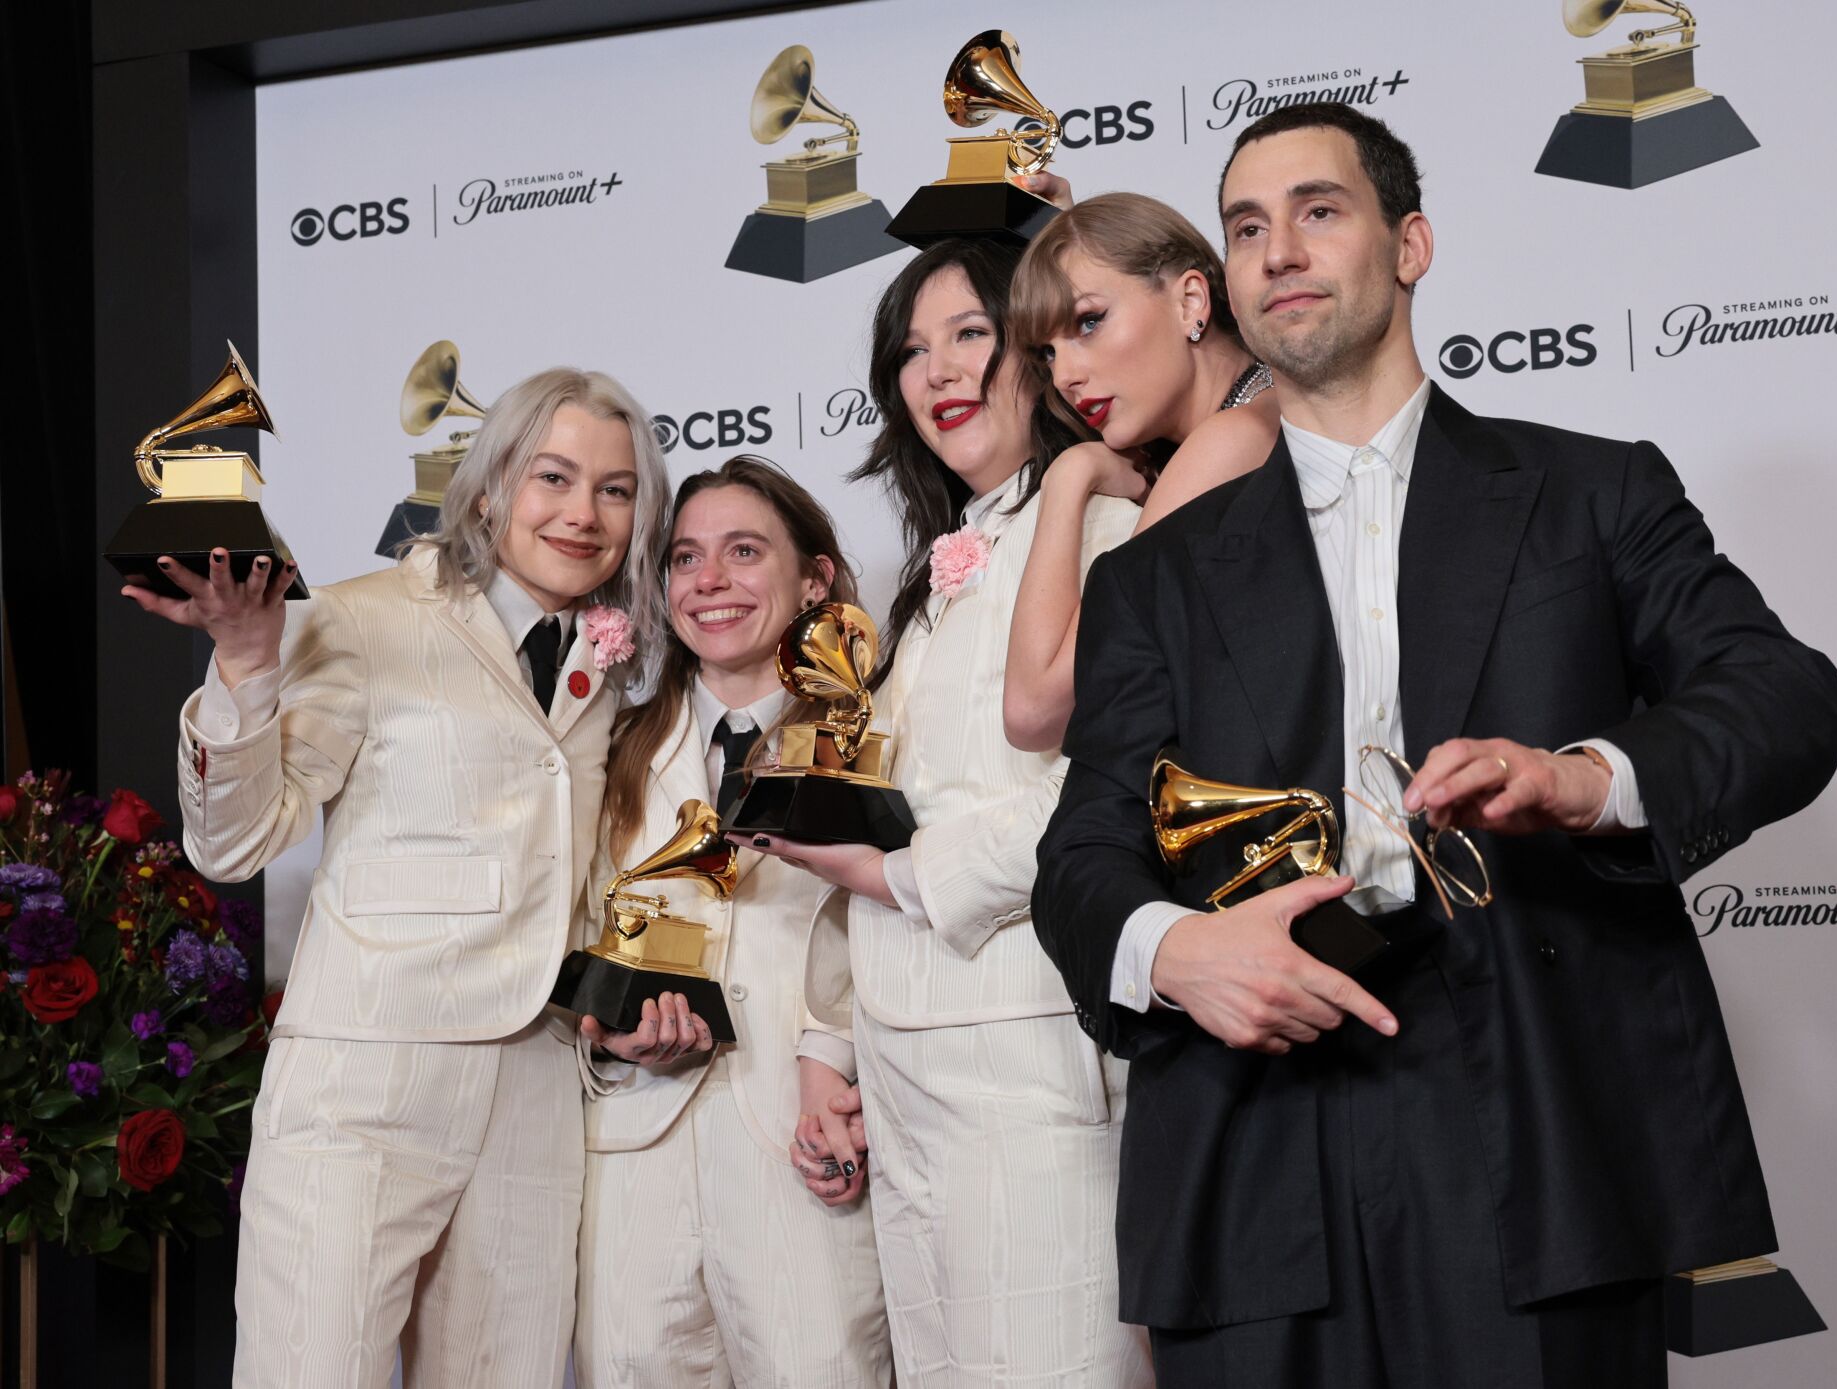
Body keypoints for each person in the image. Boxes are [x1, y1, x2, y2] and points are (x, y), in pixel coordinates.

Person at [1032, 101, 1837, 1388]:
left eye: (1318, 211)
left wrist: (1589, 780)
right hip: (1252, 1141)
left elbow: (1787, 701)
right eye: (1247, 227)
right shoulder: (1155, 579)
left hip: (1540, 1118)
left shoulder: (1594, 489)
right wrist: (1180, 951)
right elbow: (1079, 859)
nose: (1278, 250)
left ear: (1410, 244)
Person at [124, 367, 669, 1389]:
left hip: (536, 1093)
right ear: (492, 484)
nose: (584, 513)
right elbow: (237, 844)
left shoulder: (615, 661)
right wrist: (246, 668)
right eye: (554, 477)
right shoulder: (366, 619)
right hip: (365, 1088)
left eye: (616, 489)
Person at [749, 236, 1153, 1387]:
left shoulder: (1108, 531)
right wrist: (831, 1047)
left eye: (967, 334)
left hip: (1032, 1057)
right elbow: (887, 807)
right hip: (906, 1068)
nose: (937, 372)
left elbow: (1101, 793)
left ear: (1034, 347)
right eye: (910, 352)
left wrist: (892, 876)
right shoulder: (932, 577)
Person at [572, 455, 891, 1387]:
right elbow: (573, 949)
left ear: (814, 578)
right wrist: (610, 1040)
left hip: (806, 1155)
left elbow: (900, 925)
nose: (708, 582)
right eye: (683, 558)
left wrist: (836, 1059)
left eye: (744, 551)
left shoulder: (870, 733)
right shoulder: (610, 749)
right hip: (632, 1173)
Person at [1002, 192, 1280, 752]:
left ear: (1191, 300)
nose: (1066, 377)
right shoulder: (1256, 414)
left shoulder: (1232, 440)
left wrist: (1069, 477)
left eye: (1089, 322)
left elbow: (1033, 712)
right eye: (1048, 353)